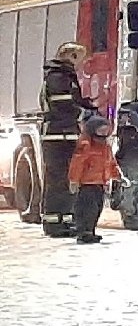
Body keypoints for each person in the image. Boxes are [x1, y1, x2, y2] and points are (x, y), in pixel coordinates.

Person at [37, 41, 88, 238]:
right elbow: (63, 103)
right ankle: (53, 223)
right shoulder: (58, 77)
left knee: (66, 180)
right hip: (58, 136)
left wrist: (86, 105)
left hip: (62, 134)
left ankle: (64, 221)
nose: (79, 64)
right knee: (58, 180)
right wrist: (82, 111)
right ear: (70, 56)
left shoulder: (62, 76)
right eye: (78, 58)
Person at [66, 106, 117, 244]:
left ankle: (90, 230)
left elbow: (110, 163)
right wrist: (74, 180)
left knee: (97, 208)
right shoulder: (86, 145)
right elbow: (77, 164)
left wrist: (117, 176)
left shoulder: (105, 147)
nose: (104, 133)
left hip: (99, 183)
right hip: (87, 184)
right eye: (101, 130)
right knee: (88, 208)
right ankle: (84, 232)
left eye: (106, 130)